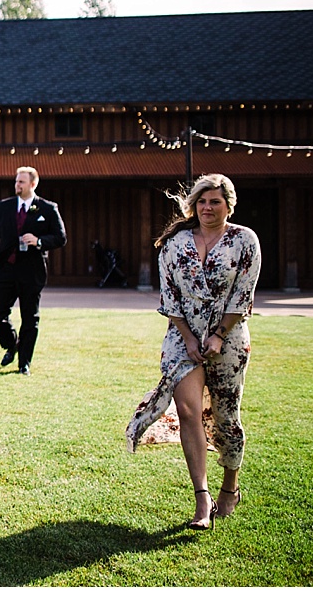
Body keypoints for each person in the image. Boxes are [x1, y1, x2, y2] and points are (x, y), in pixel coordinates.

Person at [126, 174, 260, 530]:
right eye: (201, 201)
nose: (207, 208)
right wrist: (187, 336)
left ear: (228, 205)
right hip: (181, 335)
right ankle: (202, 499)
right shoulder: (175, 242)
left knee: (226, 417)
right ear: (193, 205)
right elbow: (168, 296)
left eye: (215, 201)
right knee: (187, 409)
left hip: (228, 337)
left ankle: (230, 485)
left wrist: (218, 334)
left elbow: (243, 295)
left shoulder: (244, 240)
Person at [0, 166, 67, 376]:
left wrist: (39, 241)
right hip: (5, 268)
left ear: (33, 184)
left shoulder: (48, 208)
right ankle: (11, 343)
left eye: (22, 182)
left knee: (30, 317)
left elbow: (61, 238)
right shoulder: (4, 207)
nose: (17, 185)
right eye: (16, 181)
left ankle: (24, 362)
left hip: (32, 271)